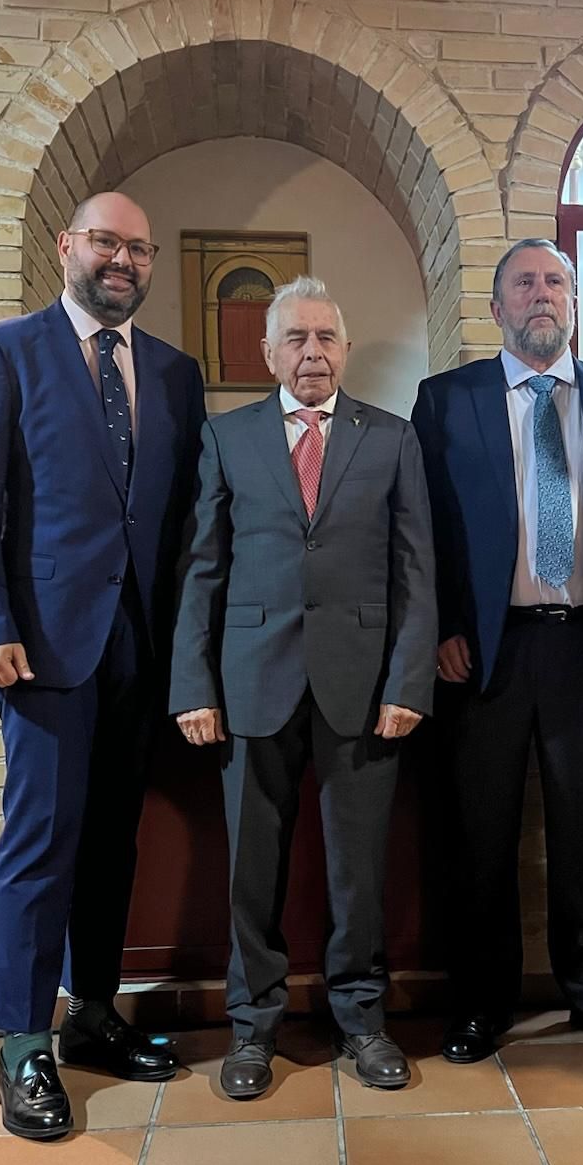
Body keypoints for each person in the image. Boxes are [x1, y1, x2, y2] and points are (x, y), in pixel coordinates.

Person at [0, 191, 206, 1140]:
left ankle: (94, 1011)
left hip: (143, 644)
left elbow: (181, 523)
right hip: (43, 645)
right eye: (106, 242)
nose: (122, 261)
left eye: (139, 247)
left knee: (112, 842)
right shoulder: (4, 351)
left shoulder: (177, 373)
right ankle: (21, 1042)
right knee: (40, 842)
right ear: (69, 247)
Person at [170, 276, 437, 1100]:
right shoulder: (228, 437)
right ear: (268, 352)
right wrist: (193, 686)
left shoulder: (391, 438)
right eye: (296, 338)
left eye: (326, 338)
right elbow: (202, 567)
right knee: (254, 868)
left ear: (346, 349)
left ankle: (362, 1020)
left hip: (364, 689)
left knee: (358, 868)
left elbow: (416, 572)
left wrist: (409, 682)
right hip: (250, 685)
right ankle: (253, 1028)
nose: (313, 352)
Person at [411, 239, 583, 1066]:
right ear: (497, 308)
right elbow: (425, 526)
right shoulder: (445, 400)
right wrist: (443, 624)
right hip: (484, 652)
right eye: (524, 283)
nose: (541, 295)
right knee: (482, 836)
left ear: (575, 301)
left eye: (555, 282)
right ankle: (481, 1002)